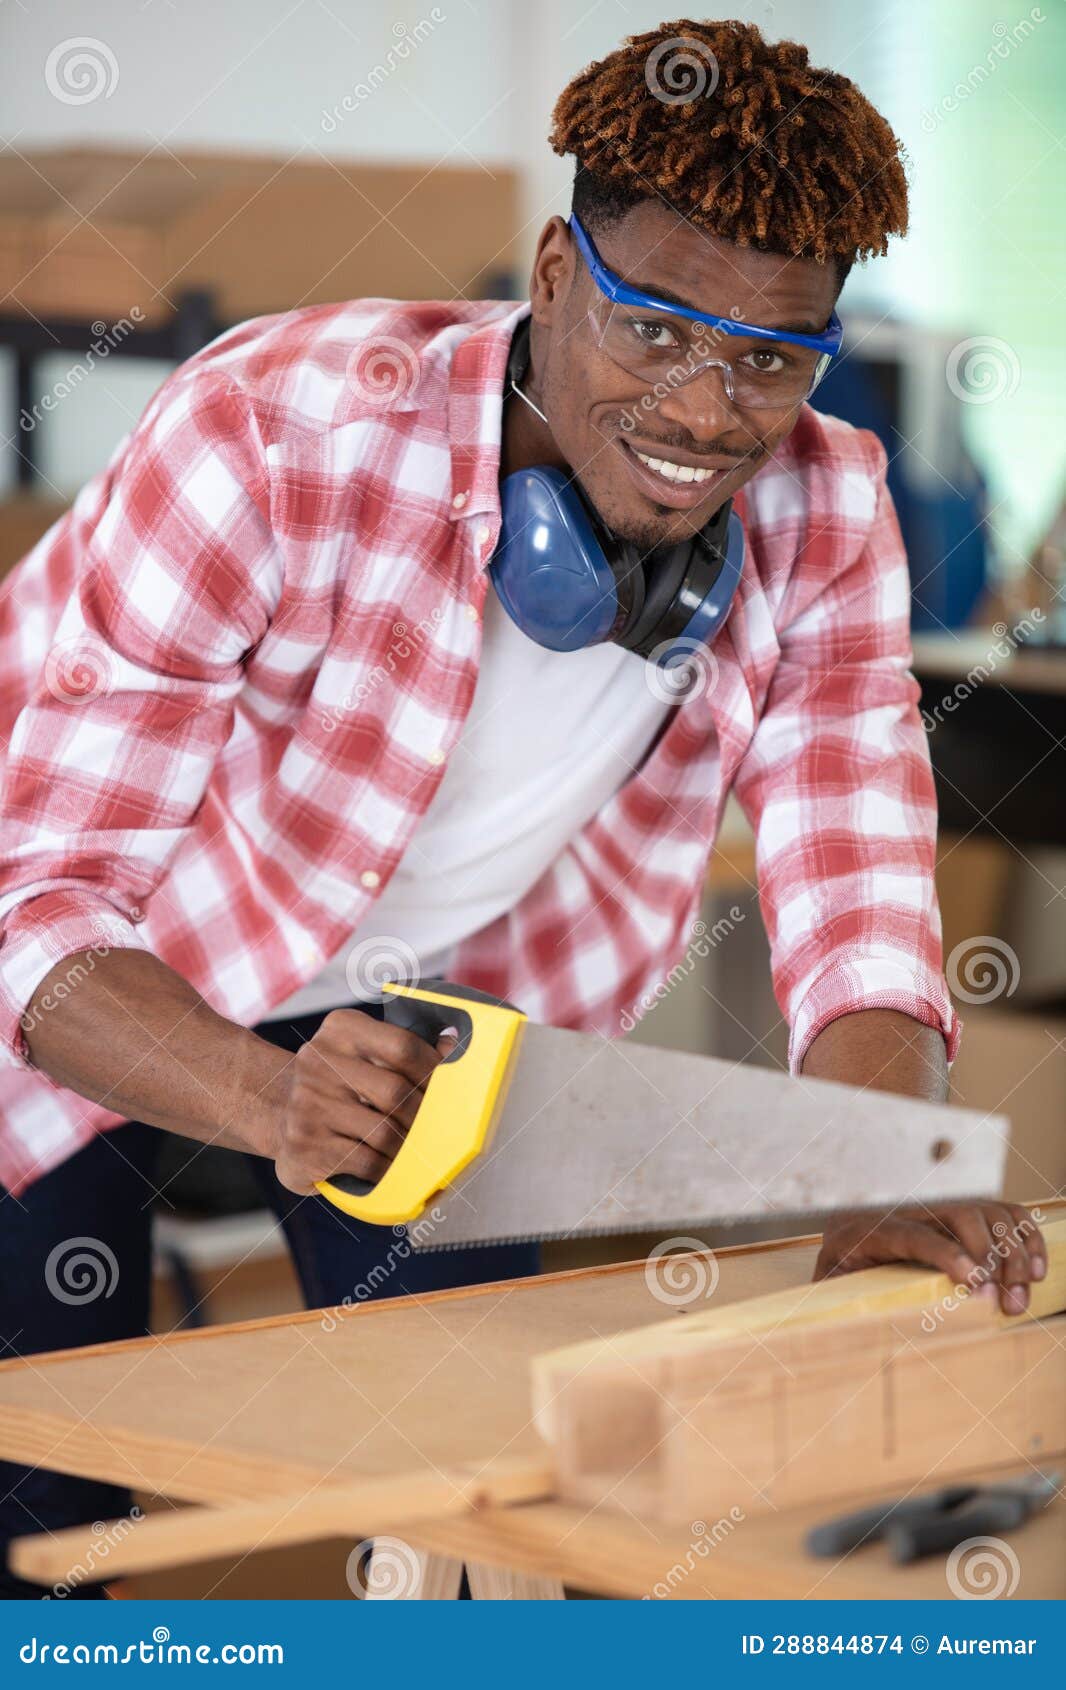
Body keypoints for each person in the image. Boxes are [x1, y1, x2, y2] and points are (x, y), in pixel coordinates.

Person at [0, 19, 1044, 1596]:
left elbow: (863, 890)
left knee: (472, 1495)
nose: (705, 413)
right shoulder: (269, 431)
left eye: (769, 355)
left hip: (421, 995)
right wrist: (269, 1100)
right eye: (657, 334)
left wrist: (886, 1158)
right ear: (553, 276)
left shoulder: (824, 510)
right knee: (51, 1483)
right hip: (107, 955)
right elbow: (40, 905)